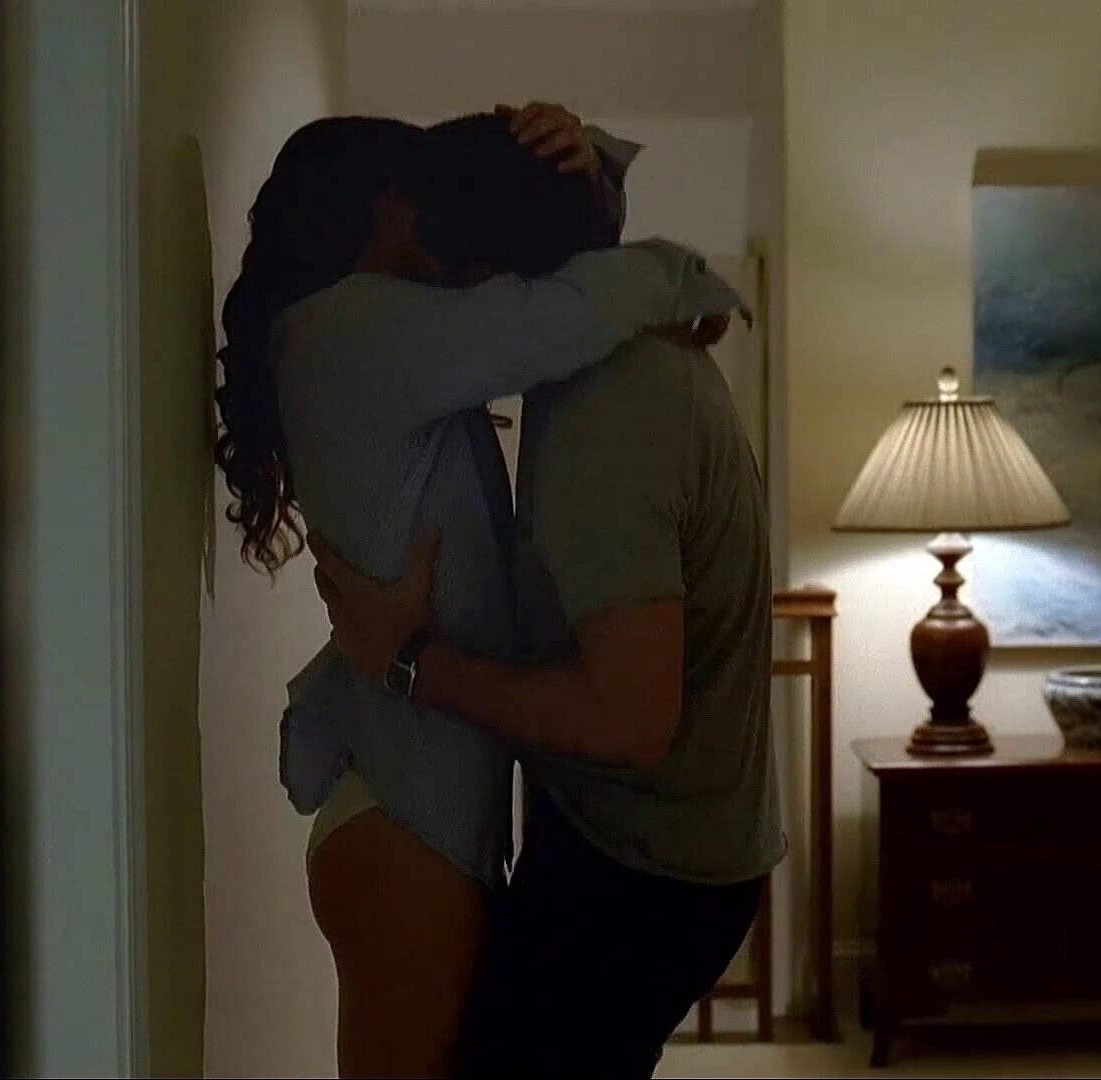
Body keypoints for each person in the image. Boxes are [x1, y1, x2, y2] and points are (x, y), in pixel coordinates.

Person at [213, 105, 740, 1077]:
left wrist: (583, 159)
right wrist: (688, 280)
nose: (439, 209)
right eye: (418, 185)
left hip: (410, 818)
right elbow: (555, 314)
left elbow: (528, 265)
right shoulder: (353, 329)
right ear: (381, 201)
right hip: (410, 832)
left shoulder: (356, 334)